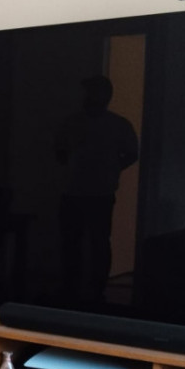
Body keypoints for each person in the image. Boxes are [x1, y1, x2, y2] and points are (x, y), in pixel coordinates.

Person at [55, 75, 139, 303]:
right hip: (78, 191)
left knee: (93, 242)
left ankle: (89, 288)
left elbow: (132, 153)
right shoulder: (77, 123)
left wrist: (109, 170)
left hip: (94, 193)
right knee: (82, 242)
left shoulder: (114, 125)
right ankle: (77, 287)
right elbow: (60, 151)